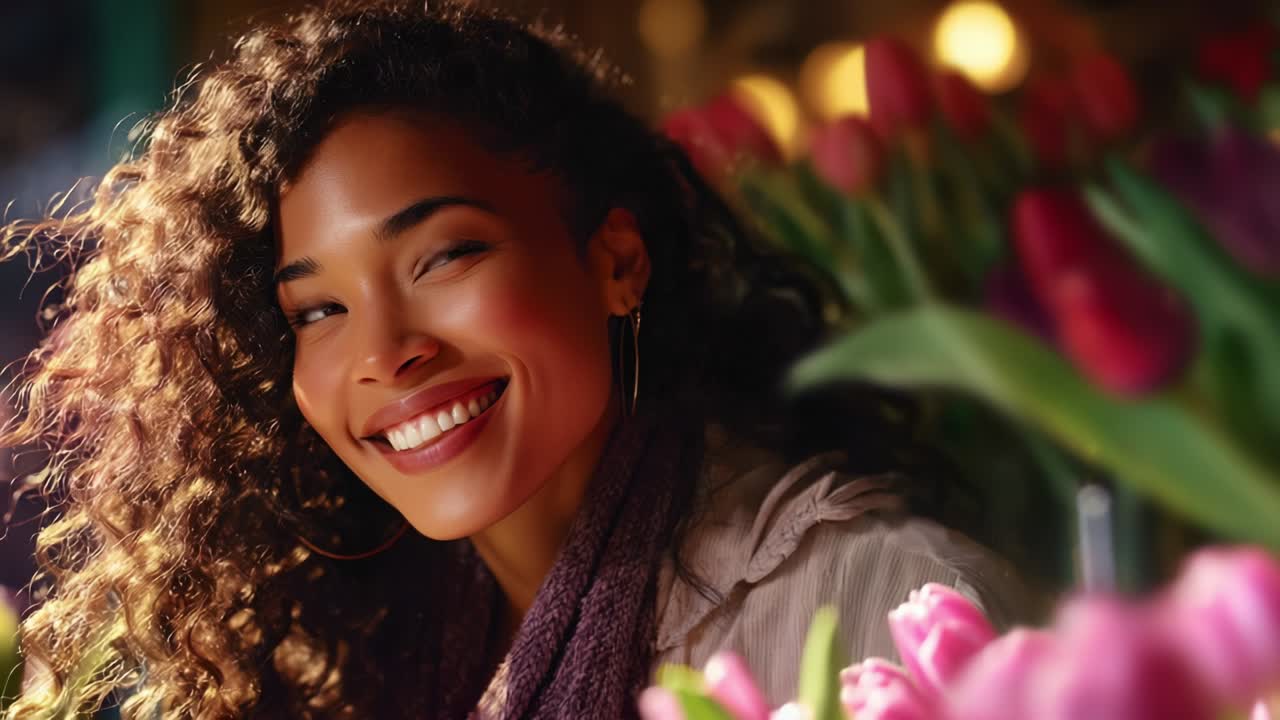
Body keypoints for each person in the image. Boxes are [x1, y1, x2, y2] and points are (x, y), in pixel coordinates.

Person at [0, 1, 1034, 717]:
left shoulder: (892, 612)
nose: (385, 352)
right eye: (316, 311)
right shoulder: (366, 652)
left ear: (615, 263)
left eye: (443, 255)